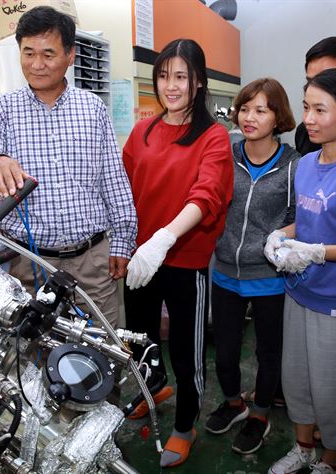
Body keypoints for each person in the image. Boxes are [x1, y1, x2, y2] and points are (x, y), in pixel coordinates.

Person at [0, 6, 136, 327]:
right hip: (31, 263)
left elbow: (113, 182)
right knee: (39, 359)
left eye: (48, 54)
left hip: (93, 261)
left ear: (70, 55)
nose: (37, 64)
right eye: (28, 52)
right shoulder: (2, 110)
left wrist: (124, 242)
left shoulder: (92, 109)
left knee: (104, 352)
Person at [122, 38, 233, 468]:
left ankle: (185, 425)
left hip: (184, 260)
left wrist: (165, 238)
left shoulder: (213, 136)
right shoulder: (143, 131)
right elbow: (124, 191)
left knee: (187, 351)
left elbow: (206, 196)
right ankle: (154, 388)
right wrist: (128, 245)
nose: (171, 86)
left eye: (181, 77)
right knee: (142, 340)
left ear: (199, 82)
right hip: (141, 259)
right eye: (164, 76)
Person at [265, 69, 336, 474]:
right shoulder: (307, 164)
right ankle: (303, 448)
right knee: (296, 380)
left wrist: (318, 252)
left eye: (320, 110)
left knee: (332, 389)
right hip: (297, 293)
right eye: (307, 108)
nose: (309, 119)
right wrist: (282, 234)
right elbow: (308, 220)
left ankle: (330, 460)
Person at [204, 78, 300, 455]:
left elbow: (297, 216)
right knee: (224, 352)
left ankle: (260, 412)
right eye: (244, 108)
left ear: (278, 117)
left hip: (269, 278)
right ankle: (233, 403)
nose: (249, 117)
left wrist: (277, 239)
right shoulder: (226, 153)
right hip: (225, 270)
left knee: (268, 353)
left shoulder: (293, 165)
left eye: (261, 109)